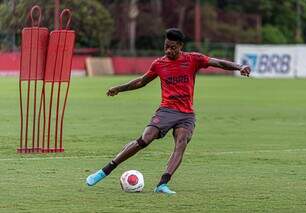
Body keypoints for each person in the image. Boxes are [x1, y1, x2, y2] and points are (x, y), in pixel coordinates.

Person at [86, 28, 251, 194]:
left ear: (180, 46)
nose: (168, 51)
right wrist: (119, 88)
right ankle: (104, 171)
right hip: (166, 111)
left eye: (172, 47)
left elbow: (219, 63)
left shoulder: (193, 59)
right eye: (166, 47)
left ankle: (162, 184)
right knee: (145, 139)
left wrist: (240, 66)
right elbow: (142, 82)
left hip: (186, 114)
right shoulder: (159, 64)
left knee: (181, 142)